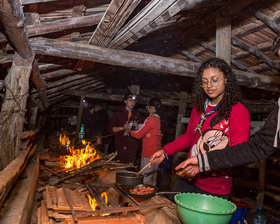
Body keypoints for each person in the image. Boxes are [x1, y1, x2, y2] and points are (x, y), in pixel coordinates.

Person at [150, 57, 251, 199]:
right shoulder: (199, 108)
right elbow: (188, 138)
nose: (209, 85)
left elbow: (238, 154)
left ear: (227, 79)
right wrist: (166, 151)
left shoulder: (238, 111)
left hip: (214, 187)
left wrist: (203, 166)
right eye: (205, 82)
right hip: (188, 178)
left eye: (215, 80)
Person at [176, 97, 280, 175]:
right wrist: (203, 161)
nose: (209, 85)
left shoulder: (239, 111)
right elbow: (257, 147)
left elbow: (241, 145)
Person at [129, 97, 163, 186]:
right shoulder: (160, 119)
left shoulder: (150, 119)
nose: (147, 109)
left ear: (152, 108)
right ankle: (152, 196)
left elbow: (139, 135)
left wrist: (130, 131)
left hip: (149, 153)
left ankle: (145, 197)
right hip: (157, 152)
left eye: (148, 107)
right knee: (153, 177)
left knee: (146, 177)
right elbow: (149, 131)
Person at [108, 93, 143, 164]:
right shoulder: (118, 114)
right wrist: (122, 128)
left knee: (129, 166)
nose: (132, 103)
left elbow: (142, 131)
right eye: (130, 100)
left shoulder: (137, 115)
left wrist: (137, 126)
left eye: (134, 101)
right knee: (119, 166)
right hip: (120, 145)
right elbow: (110, 129)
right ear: (125, 101)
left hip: (132, 146)